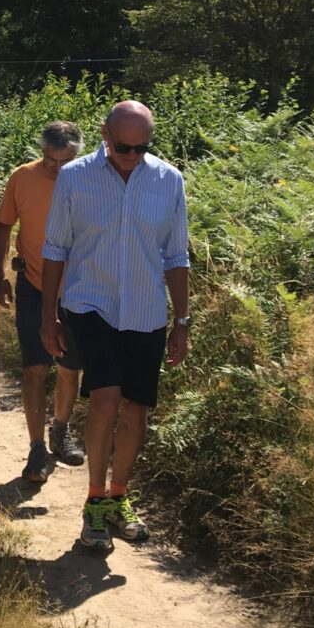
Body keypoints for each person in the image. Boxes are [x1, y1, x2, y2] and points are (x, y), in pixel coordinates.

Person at [40, 101, 190, 551]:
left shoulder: (168, 181)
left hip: (145, 310)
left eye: (141, 148)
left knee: (136, 409)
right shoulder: (74, 177)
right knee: (104, 398)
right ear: (104, 134)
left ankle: (119, 495)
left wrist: (181, 321)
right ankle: (93, 505)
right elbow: (55, 248)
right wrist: (49, 316)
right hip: (90, 303)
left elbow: (177, 255)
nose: (131, 155)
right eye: (122, 147)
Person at [0, 122, 86, 484]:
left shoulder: (92, 180)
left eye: (65, 163)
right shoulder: (23, 178)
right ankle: (36, 447)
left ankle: (60, 431)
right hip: (33, 284)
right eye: (50, 160)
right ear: (42, 152)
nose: (57, 169)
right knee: (35, 367)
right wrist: (1, 273)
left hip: (79, 290)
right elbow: (4, 224)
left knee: (70, 367)